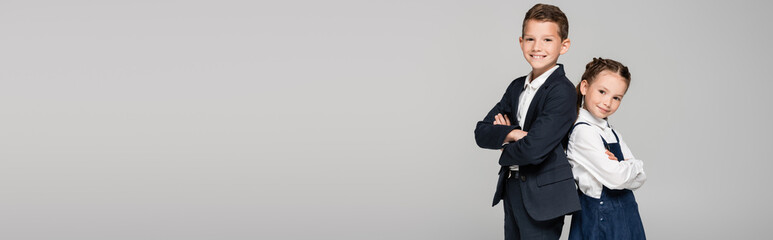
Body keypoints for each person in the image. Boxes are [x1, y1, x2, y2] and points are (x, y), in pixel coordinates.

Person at [474, 3, 580, 239]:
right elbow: (481, 132)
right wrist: (513, 134)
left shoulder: (562, 91)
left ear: (564, 45)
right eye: (530, 39)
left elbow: (534, 150)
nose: (537, 47)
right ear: (521, 42)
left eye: (547, 40)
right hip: (512, 187)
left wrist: (503, 143)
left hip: (543, 195)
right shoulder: (516, 87)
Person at [566, 58, 647, 239]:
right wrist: (632, 165)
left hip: (627, 213)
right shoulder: (583, 132)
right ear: (585, 87)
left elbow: (642, 178)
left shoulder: (611, 132)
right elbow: (617, 179)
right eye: (602, 91)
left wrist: (629, 167)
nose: (607, 102)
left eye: (616, 98)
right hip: (599, 217)